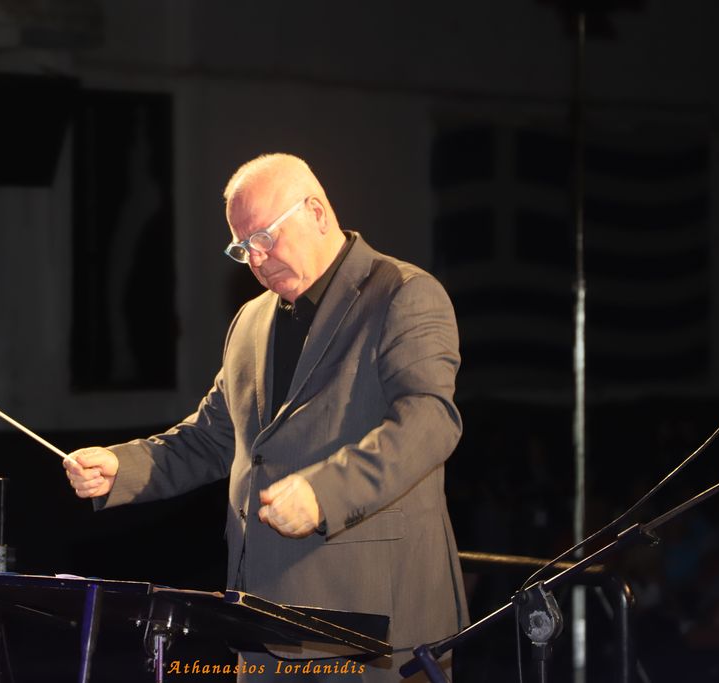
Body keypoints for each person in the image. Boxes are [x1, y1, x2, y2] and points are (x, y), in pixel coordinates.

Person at [64, 153, 468, 681]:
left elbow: (429, 421)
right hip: (262, 622)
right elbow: (214, 438)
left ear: (317, 213)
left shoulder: (402, 293)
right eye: (242, 247)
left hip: (376, 625)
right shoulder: (250, 321)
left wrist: (325, 493)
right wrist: (123, 467)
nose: (255, 258)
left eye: (264, 237)